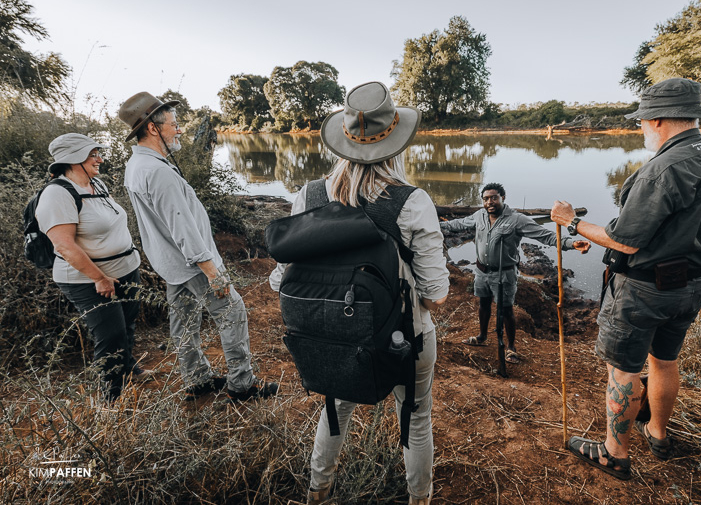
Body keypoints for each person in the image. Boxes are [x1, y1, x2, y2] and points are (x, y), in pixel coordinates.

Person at [550, 77, 701, 480]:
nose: (640, 128)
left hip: (643, 291)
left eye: (642, 121)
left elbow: (624, 242)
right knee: (665, 359)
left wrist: (572, 223)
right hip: (695, 283)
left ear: (657, 120)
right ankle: (657, 432)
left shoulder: (663, 168)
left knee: (623, 369)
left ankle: (614, 454)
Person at [270, 81, 449, 505]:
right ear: (397, 143)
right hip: (404, 338)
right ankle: (418, 499)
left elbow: (281, 279)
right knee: (416, 417)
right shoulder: (411, 201)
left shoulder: (308, 195)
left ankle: (318, 492)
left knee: (335, 410)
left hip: (332, 333)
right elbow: (436, 294)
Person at [119, 92, 277, 403]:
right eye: (174, 125)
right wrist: (212, 271)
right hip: (191, 262)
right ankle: (242, 385)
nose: (178, 130)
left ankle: (197, 379)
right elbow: (182, 226)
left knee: (184, 320)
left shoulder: (137, 165)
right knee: (232, 311)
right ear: (153, 128)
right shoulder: (157, 171)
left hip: (171, 263)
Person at [36, 133, 146, 402]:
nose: (100, 158)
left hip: (126, 269)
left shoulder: (97, 184)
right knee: (111, 336)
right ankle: (110, 402)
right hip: (89, 279)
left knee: (127, 324)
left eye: (98, 152)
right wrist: (100, 277)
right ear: (73, 160)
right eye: (92, 154)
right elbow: (64, 246)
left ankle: (128, 368)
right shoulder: (57, 194)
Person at [440, 183, 590, 363]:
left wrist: (570, 244)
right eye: (486, 199)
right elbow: (458, 224)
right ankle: (481, 337)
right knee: (484, 305)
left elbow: (546, 236)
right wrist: (433, 225)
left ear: (503, 198)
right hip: (481, 271)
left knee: (506, 310)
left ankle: (510, 348)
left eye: (494, 198)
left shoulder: (517, 219)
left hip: (504, 274)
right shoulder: (479, 216)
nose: (490, 202)